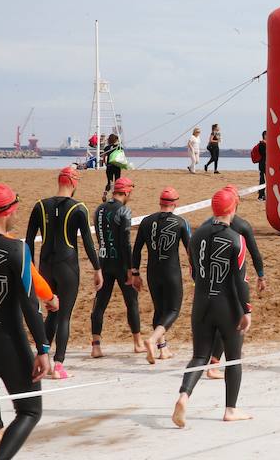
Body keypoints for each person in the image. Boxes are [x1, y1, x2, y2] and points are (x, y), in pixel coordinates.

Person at [0, 184, 52, 459]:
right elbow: (31, 304)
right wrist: (43, 349)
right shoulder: (17, 248)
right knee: (30, 410)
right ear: (9, 211)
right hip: (8, 343)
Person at [173, 188, 252, 427]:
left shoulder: (197, 236)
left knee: (199, 355)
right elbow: (240, 280)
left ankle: (183, 396)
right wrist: (246, 310)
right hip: (227, 305)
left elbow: (195, 272)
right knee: (234, 359)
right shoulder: (236, 239)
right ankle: (230, 409)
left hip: (202, 302)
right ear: (233, 209)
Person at [24, 166, 103, 379]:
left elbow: (29, 240)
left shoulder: (40, 206)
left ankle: (45, 359)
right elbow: (87, 242)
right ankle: (59, 366)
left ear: (59, 181)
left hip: (45, 267)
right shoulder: (79, 208)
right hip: (68, 266)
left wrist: (29, 269)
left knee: (52, 313)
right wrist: (97, 269)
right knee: (64, 317)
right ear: (74, 183)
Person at [204, 186, 266, 379]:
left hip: (211, 281)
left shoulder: (208, 224)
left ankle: (212, 359)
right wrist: (261, 276)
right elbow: (255, 254)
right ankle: (214, 364)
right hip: (234, 280)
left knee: (215, 323)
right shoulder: (242, 225)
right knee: (231, 324)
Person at [132, 187, 190, 364]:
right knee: (173, 309)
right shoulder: (181, 222)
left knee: (159, 308)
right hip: (171, 271)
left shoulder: (146, 221)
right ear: (175, 204)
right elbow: (191, 250)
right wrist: (196, 271)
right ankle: (152, 339)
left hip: (152, 272)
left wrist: (135, 272)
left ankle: (163, 349)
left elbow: (136, 250)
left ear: (160, 203)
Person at [91, 177, 144, 357]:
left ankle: (96, 346)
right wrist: (131, 269)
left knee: (100, 303)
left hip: (103, 261)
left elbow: (100, 236)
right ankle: (137, 343)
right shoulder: (124, 211)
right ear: (127, 192)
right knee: (131, 302)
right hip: (121, 264)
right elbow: (126, 243)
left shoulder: (99, 209)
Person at [101, 133, 122, 202]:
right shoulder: (119, 147)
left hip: (109, 166)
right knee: (117, 182)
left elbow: (104, 158)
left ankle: (105, 194)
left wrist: (106, 164)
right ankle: (114, 197)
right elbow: (121, 157)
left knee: (109, 182)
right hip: (116, 166)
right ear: (116, 140)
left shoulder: (107, 148)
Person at [257, 131, 267, 201]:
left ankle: (264, 195)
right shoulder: (262, 144)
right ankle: (261, 195)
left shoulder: (267, 143)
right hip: (263, 164)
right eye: (267, 135)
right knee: (262, 180)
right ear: (264, 135)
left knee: (268, 180)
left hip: (267, 164)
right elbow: (264, 153)